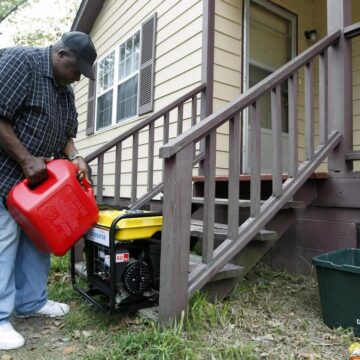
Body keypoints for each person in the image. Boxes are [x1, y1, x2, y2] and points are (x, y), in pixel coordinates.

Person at [0, 31, 97, 350]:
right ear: (62, 55)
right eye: (77, 71)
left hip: (39, 188)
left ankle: (31, 302)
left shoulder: (64, 90)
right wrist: (25, 159)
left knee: (38, 241)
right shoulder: (21, 62)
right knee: (4, 241)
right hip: (4, 176)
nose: (78, 79)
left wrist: (76, 156)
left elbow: (66, 134)